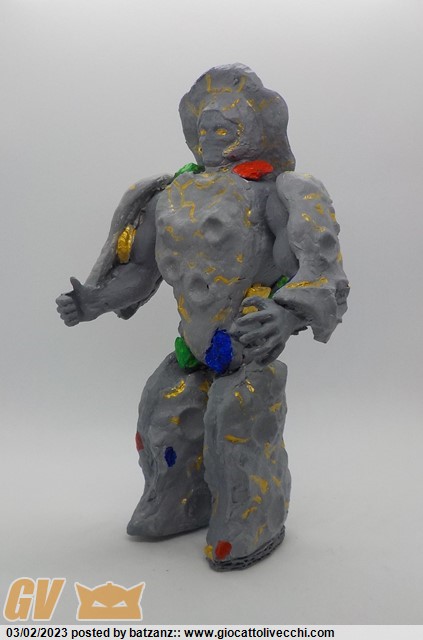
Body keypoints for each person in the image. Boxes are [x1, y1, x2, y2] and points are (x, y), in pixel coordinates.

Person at [56, 64, 349, 570]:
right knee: (162, 413)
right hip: (193, 345)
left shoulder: (277, 193)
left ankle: (248, 520)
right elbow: (141, 270)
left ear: (253, 131)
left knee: (233, 423)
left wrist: (286, 317)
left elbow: (315, 270)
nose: (212, 137)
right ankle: (177, 502)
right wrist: (94, 303)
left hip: (247, 344)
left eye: (226, 128)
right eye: (205, 128)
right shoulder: (166, 195)